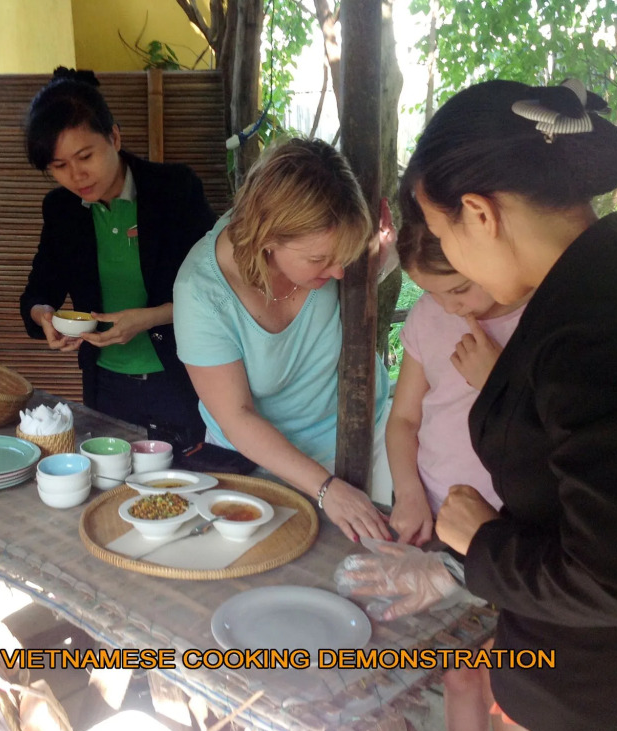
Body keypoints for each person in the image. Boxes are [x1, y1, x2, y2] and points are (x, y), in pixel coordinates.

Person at [400, 77, 617, 731]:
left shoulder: (597, 333)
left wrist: (482, 542)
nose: (450, 260)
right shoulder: (613, 285)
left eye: (441, 234)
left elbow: (612, 582)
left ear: (479, 214)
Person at [173, 138, 393, 541]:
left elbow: (358, 272)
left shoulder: (325, 242)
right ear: (268, 239)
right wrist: (326, 488)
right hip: (258, 458)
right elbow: (237, 416)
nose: (338, 273)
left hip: (366, 431)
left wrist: (373, 262)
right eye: (319, 260)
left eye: (342, 257)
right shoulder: (202, 292)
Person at [386, 223, 534, 731]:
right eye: (431, 292)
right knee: (459, 670)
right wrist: (409, 493)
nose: (449, 306)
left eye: (458, 289)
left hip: (515, 533)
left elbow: (555, 434)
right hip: (441, 525)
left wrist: (497, 382)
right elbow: (404, 420)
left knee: (511, 677)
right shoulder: (430, 317)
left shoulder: (541, 320)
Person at [19, 67, 215, 443]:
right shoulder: (62, 210)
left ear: (114, 137)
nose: (76, 175)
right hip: (105, 385)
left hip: (183, 378)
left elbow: (218, 289)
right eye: (59, 166)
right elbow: (39, 291)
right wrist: (44, 316)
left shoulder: (175, 190)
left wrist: (149, 318)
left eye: (85, 156)